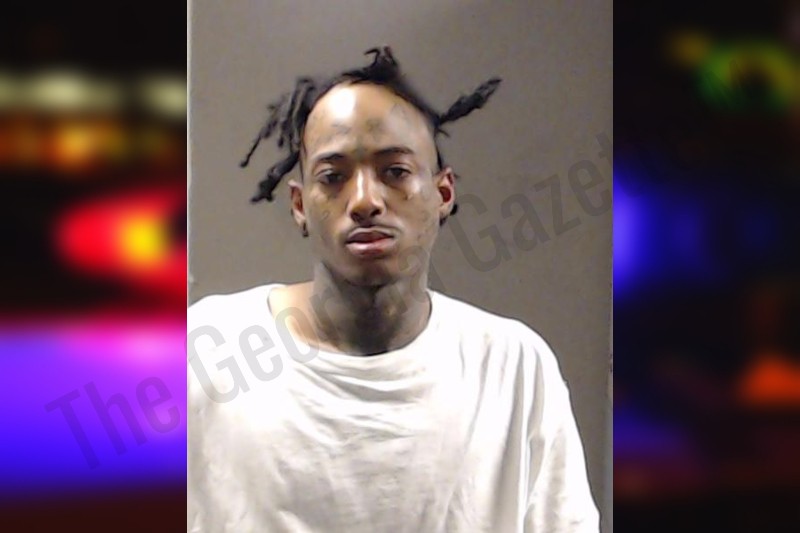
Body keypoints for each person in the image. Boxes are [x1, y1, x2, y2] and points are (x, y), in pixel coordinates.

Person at [188, 46, 599, 532]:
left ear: (443, 193)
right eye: (333, 177)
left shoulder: (513, 367)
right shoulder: (206, 350)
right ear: (299, 205)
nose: (364, 201)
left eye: (395, 172)